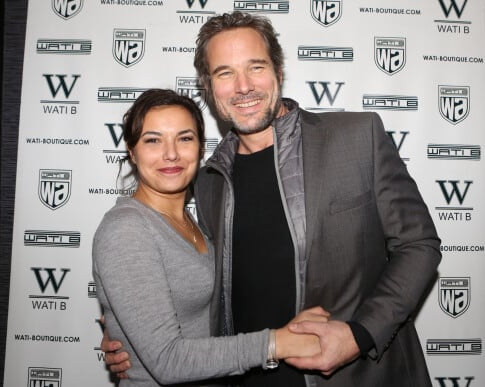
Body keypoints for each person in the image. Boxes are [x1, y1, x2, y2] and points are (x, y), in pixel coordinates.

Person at [103, 11, 442, 387]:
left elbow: (419, 245)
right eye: (225, 73)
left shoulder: (357, 138)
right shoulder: (210, 180)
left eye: (256, 67)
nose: (243, 86)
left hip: (359, 376)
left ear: (278, 71)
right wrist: (128, 335)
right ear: (208, 87)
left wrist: (359, 334)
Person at [93, 88, 328, 386]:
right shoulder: (127, 229)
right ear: (131, 151)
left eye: (185, 138)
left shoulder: (196, 218)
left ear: (201, 148)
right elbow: (168, 361)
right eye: (153, 140)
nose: (171, 153)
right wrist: (279, 343)